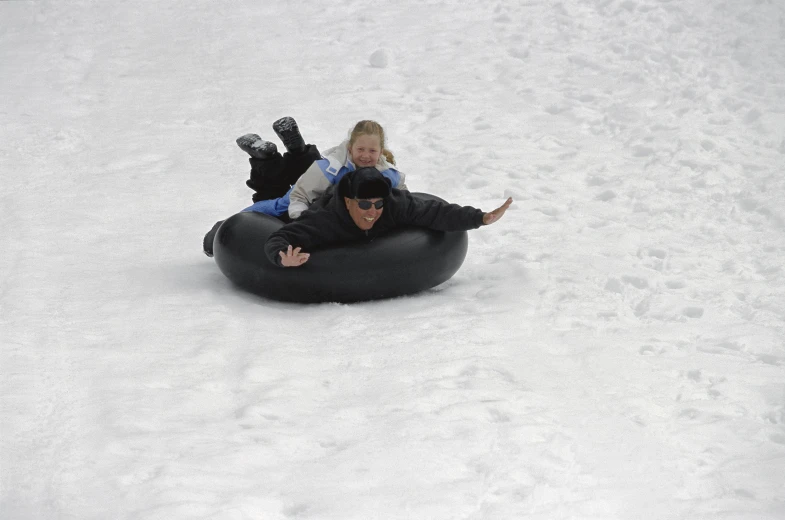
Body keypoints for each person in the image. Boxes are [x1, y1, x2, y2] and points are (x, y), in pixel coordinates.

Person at [265, 167, 513, 268]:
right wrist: (281, 258)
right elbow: (283, 235)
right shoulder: (326, 219)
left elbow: (436, 212)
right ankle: (272, 163)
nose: (372, 212)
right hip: (315, 200)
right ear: (350, 202)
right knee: (277, 202)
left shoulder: (396, 205)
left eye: (378, 204)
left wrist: (481, 218)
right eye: (364, 205)